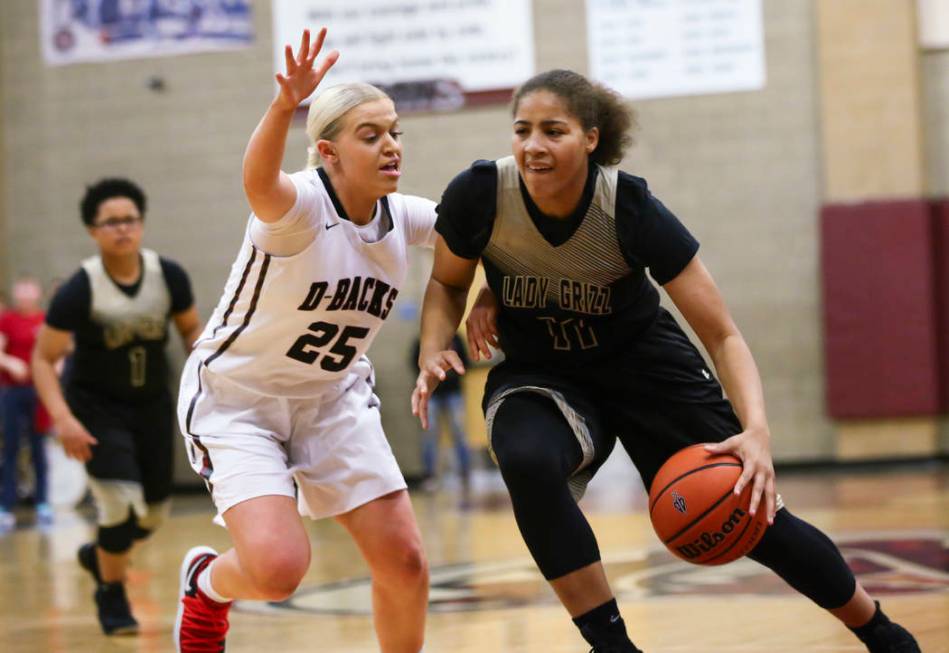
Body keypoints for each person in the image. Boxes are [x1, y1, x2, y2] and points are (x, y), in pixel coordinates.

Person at [412, 69, 920, 653]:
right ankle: (614, 647)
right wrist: (435, 346)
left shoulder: (628, 206)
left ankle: (877, 630)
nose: (533, 145)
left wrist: (756, 430)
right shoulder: (480, 194)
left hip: (645, 367)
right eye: (522, 129)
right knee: (525, 459)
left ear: (591, 139)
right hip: (545, 372)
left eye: (554, 130)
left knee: (753, 513)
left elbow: (723, 334)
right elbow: (447, 283)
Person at [173, 28, 432, 653]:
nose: (391, 146)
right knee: (278, 569)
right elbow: (258, 182)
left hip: (331, 400)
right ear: (328, 152)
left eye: (394, 131)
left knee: (405, 564)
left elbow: (481, 238)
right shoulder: (296, 210)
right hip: (239, 401)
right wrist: (282, 105)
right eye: (371, 136)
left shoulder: (406, 216)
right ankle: (208, 584)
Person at [32, 177, 202, 636]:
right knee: (119, 507)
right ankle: (112, 596)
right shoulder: (79, 289)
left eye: (130, 220)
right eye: (112, 222)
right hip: (96, 410)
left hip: (152, 406)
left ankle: (99, 557)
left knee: (152, 515)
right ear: (93, 230)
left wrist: (213, 381)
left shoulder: (168, 275)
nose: (123, 229)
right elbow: (44, 359)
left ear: (141, 224)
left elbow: (192, 335)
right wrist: (63, 420)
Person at [0, 277, 51, 530]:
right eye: (21, 289)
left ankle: (42, 502)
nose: (25, 294)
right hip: (11, 392)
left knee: (38, 448)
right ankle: (6, 505)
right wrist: (10, 363)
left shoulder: (44, 321)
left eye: (29, 289)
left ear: (37, 293)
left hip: (38, 392)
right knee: (10, 448)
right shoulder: (7, 320)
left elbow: (55, 353)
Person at [410, 333, 471, 491]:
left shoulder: (457, 339)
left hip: (454, 392)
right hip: (432, 395)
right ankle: (430, 475)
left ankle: (465, 473)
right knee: (429, 433)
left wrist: (453, 371)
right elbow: (415, 363)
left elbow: (467, 363)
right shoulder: (422, 340)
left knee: (459, 432)